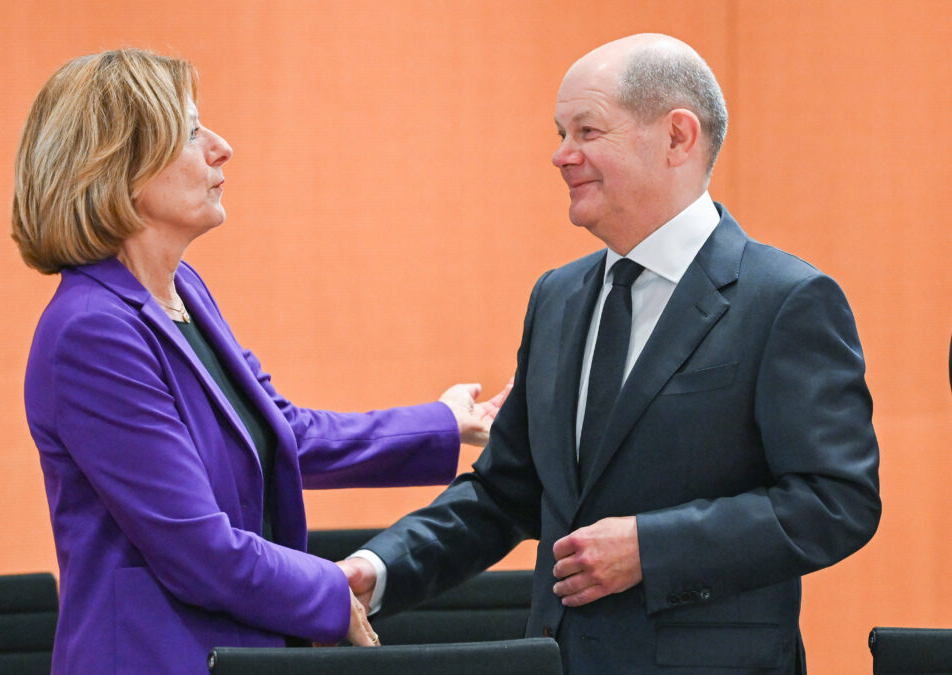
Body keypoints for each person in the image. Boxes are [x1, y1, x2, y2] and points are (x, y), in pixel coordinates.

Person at [341, 34, 881, 674]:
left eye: (587, 131)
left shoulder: (786, 299)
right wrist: (375, 571)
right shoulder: (558, 295)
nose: (560, 156)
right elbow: (506, 493)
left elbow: (835, 502)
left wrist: (653, 549)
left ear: (679, 137)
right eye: (561, 132)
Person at [12, 49, 509, 675]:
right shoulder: (92, 332)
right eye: (192, 132)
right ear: (119, 167)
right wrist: (329, 593)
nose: (222, 147)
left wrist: (442, 422)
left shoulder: (182, 289)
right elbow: (195, 547)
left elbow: (280, 432)